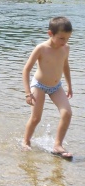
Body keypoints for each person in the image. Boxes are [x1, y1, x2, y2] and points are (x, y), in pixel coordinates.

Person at [22, 16, 74, 160]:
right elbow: (26, 70)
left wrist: (69, 85)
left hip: (56, 86)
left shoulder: (66, 48)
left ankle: (57, 145)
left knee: (67, 113)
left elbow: (65, 66)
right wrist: (28, 93)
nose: (65, 42)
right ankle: (26, 141)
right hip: (39, 85)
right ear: (50, 34)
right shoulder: (41, 48)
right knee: (36, 118)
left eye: (68, 38)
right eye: (62, 38)